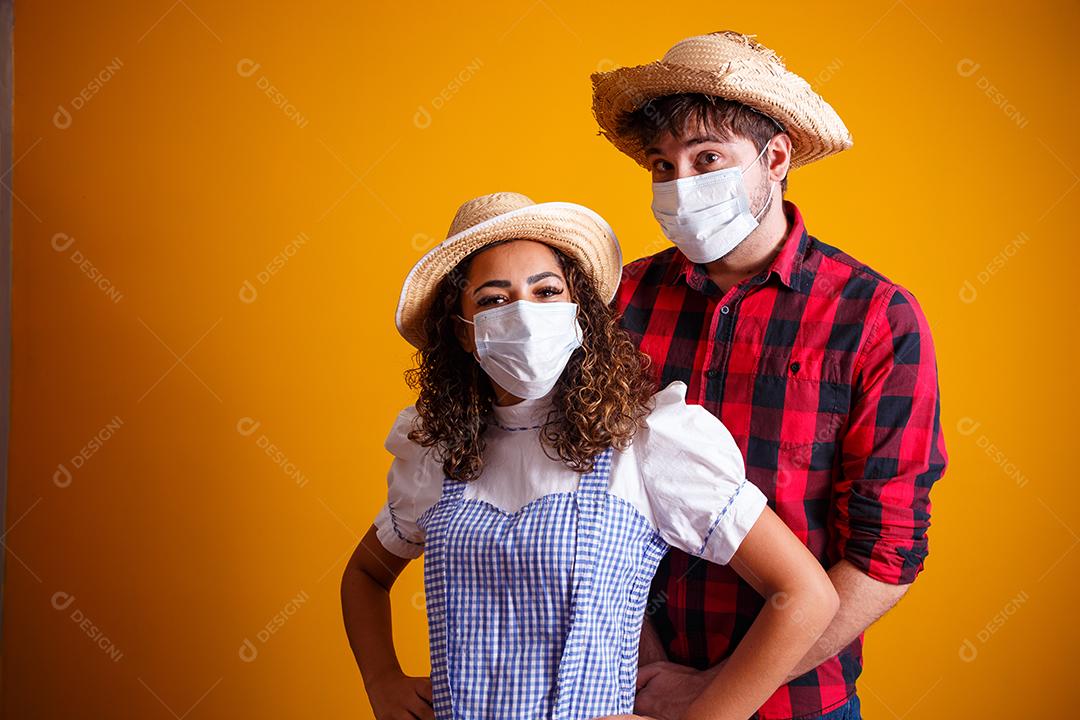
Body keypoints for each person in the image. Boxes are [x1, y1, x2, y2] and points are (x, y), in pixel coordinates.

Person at [340, 191, 840, 720]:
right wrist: (381, 679)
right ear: (464, 332)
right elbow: (365, 577)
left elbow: (807, 596)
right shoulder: (438, 455)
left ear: (578, 313)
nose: (523, 314)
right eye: (492, 299)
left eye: (546, 291)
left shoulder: (645, 444)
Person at [590, 31, 949, 720]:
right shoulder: (620, 301)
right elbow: (582, 494)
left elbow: (886, 553)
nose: (680, 186)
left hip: (797, 703)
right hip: (630, 689)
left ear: (776, 157)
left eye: (708, 158)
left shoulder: (875, 319)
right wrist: (649, 668)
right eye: (663, 166)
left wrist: (718, 691)